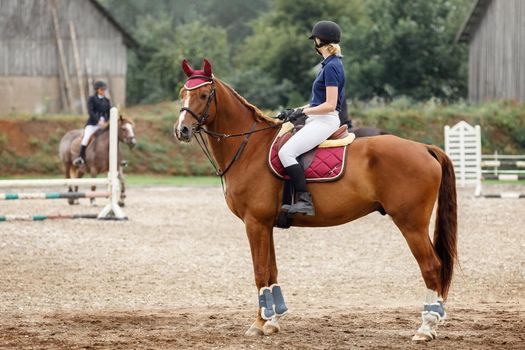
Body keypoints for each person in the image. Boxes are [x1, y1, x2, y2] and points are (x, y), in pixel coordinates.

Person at [278, 20, 346, 216]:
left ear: (319, 41)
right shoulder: (328, 65)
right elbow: (318, 102)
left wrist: (304, 112)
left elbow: (330, 105)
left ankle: (305, 201)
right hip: (319, 119)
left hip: (326, 120)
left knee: (286, 153)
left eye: (314, 39)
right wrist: (295, 110)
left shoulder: (332, 66)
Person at [73, 81, 111, 166]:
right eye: (102, 89)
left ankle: (119, 158)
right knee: (86, 138)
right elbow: (90, 112)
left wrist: (106, 121)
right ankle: (81, 157)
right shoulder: (91, 99)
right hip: (93, 124)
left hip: (104, 124)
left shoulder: (107, 101)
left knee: (114, 137)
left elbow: (109, 113)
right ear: (97, 90)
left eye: (104, 89)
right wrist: (98, 121)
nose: (103, 91)